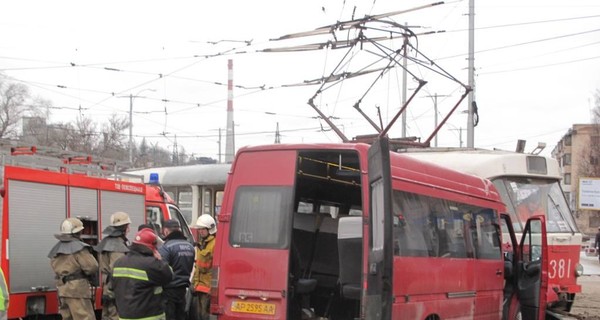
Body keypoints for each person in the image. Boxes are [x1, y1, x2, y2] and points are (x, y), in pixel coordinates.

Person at [111, 228, 173, 320]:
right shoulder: (152, 264)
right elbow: (169, 275)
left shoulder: (118, 263)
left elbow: (111, 287)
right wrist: (160, 260)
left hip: (124, 316)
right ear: (152, 246)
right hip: (149, 316)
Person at [48, 218, 99, 320]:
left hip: (62, 289)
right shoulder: (79, 248)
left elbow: (53, 265)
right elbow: (92, 267)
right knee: (84, 317)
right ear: (77, 232)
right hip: (77, 290)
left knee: (67, 317)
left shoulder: (56, 248)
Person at [94, 212, 131, 320]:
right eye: (128, 226)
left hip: (107, 285)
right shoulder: (117, 246)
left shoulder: (106, 242)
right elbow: (118, 269)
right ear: (124, 228)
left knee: (107, 315)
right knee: (116, 316)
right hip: (115, 287)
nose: (129, 229)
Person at [159, 220, 195, 320]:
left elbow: (161, 269)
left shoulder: (166, 248)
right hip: (183, 289)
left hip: (169, 290)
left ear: (166, 231)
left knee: (170, 316)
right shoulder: (190, 247)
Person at [191, 215, 217, 320]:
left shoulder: (214, 244)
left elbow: (208, 267)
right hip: (200, 286)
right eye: (199, 229)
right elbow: (197, 267)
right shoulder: (202, 244)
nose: (200, 231)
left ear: (210, 229)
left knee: (204, 316)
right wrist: (194, 283)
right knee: (200, 315)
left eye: (203, 229)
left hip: (207, 287)